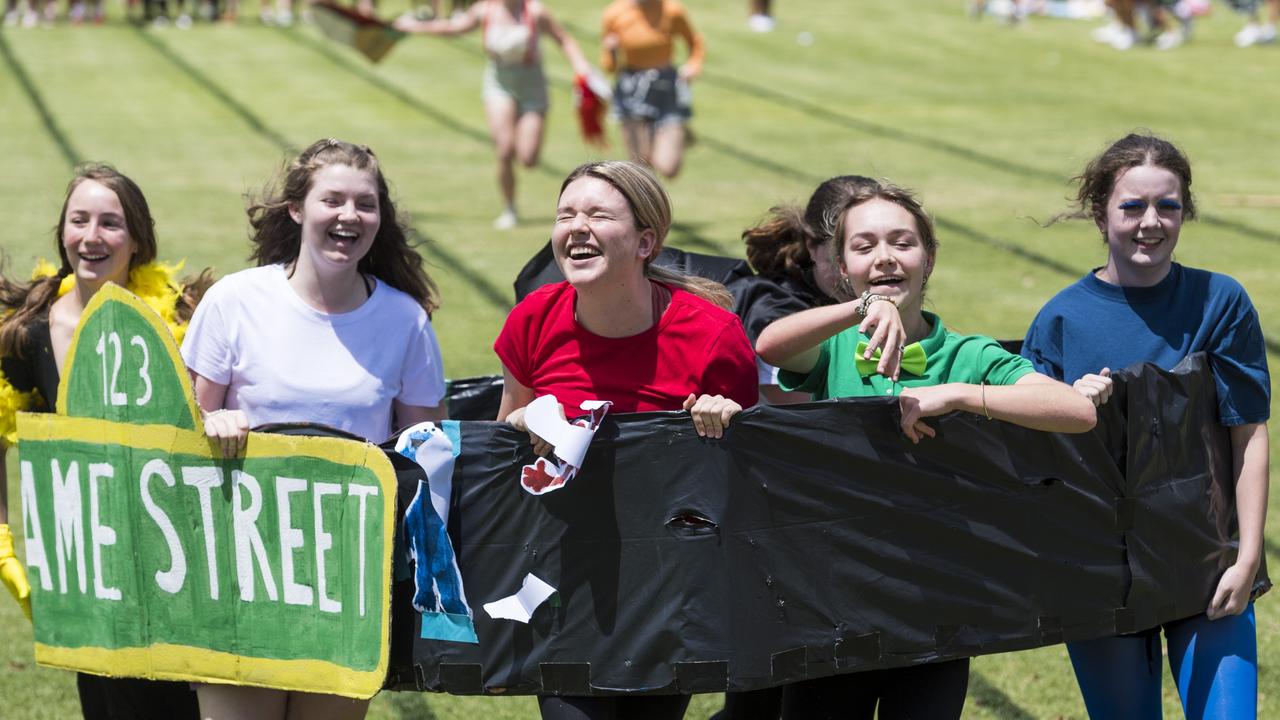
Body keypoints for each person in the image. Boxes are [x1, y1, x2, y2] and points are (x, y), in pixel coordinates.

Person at [755, 179, 1096, 720]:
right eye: (864, 247)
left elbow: (1077, 412)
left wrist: (960, 393)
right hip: (835, 596)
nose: (885, 258)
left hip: (936, 600)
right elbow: (770, 346)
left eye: (902, 243)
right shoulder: (836, 348)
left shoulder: (966, 354)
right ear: (842, 268)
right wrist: (862, 309)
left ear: (929, 258)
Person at [181, 139, 447, 719]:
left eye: (366, 204)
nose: (350, 216)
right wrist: (211, 421)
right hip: (237, 567)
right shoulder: (234, 301)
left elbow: (427, 458)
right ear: (298, 209)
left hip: (347, 576)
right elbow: (179, 437)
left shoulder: (405, 321)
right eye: (334, 200)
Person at [494, 160, 757, 719]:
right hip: (560, 573)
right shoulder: (533, 319)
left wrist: (724, 416)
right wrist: (520, 427)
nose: (576, 227)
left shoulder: (712, 336)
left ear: (645, 241)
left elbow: (749, 478)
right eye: (565, 214)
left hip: (669, 585)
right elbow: (503, 446)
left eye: (597, 214)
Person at [1021, 133, 1269, 720]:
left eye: (1168, 206)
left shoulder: (1219, 300)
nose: (1150, 223)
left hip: (1206, 561)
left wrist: (1248, 555)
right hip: (1101, 570)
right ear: (1099, 211)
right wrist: (1069, 405)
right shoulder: (1059, 320)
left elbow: (1248, 433)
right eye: (1132, 206)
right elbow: (1033, 461)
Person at [0, 163, 210, 720]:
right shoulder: (29, 333)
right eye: (79, 220)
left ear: (137, 239)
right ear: (62, 231)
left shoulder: (178, 322)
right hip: (92, 574)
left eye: (110, 223)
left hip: (180, 566)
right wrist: (4, 547)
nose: (92, 237)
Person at [394, 0, 593, 230]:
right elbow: (452, 28)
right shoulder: (485, 10)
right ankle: (510, 208)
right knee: (504, 149)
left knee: (528, 158)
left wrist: (581, 67)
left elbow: (563, 39)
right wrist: (414, 27)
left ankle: (522, 151)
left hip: (532, 86)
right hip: (499, 84)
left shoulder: (535, 12)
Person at [600, 0, 705, 179]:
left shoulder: (672, 10)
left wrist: (693, 66)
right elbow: (609, 67)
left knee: (669, 168)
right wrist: (611, 51)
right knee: (641, 167)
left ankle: (667, 131)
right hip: (632, 88)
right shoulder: (614, 13)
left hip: (666, 84)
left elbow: (695, 42)